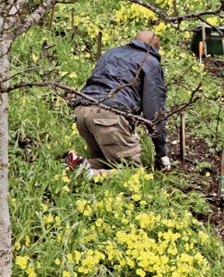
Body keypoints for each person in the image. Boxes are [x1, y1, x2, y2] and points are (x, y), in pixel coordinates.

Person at [68, 30, 169, 176]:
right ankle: (88, 175)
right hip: (109, 116)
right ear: (154, 48)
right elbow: (154, 110)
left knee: (109, 161)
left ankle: (74, 165)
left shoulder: (112, 53)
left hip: (82, 111)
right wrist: (161, 152)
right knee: (132, 172)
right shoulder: (150, 61)